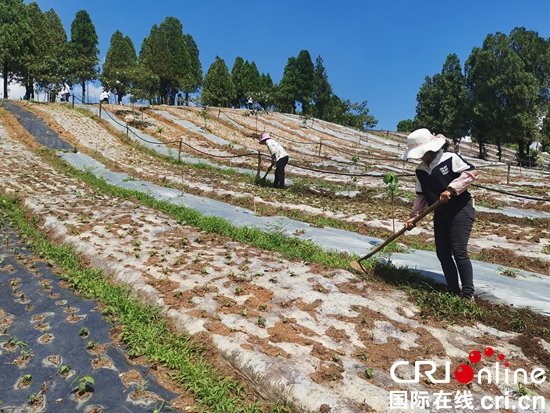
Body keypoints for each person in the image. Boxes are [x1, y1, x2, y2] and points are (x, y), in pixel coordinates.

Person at [403, 128, 478, 300]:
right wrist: (414, 216)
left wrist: (452, 189)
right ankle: (452, 292)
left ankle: (467, 296)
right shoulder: (420, 171)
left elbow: (472, 172)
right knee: (443, 253)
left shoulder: (449, 158)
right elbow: (421, 196)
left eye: (421, 153)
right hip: (440, 212)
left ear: (430, 149)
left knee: (459, 251)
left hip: (460, 209)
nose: (420, 157)